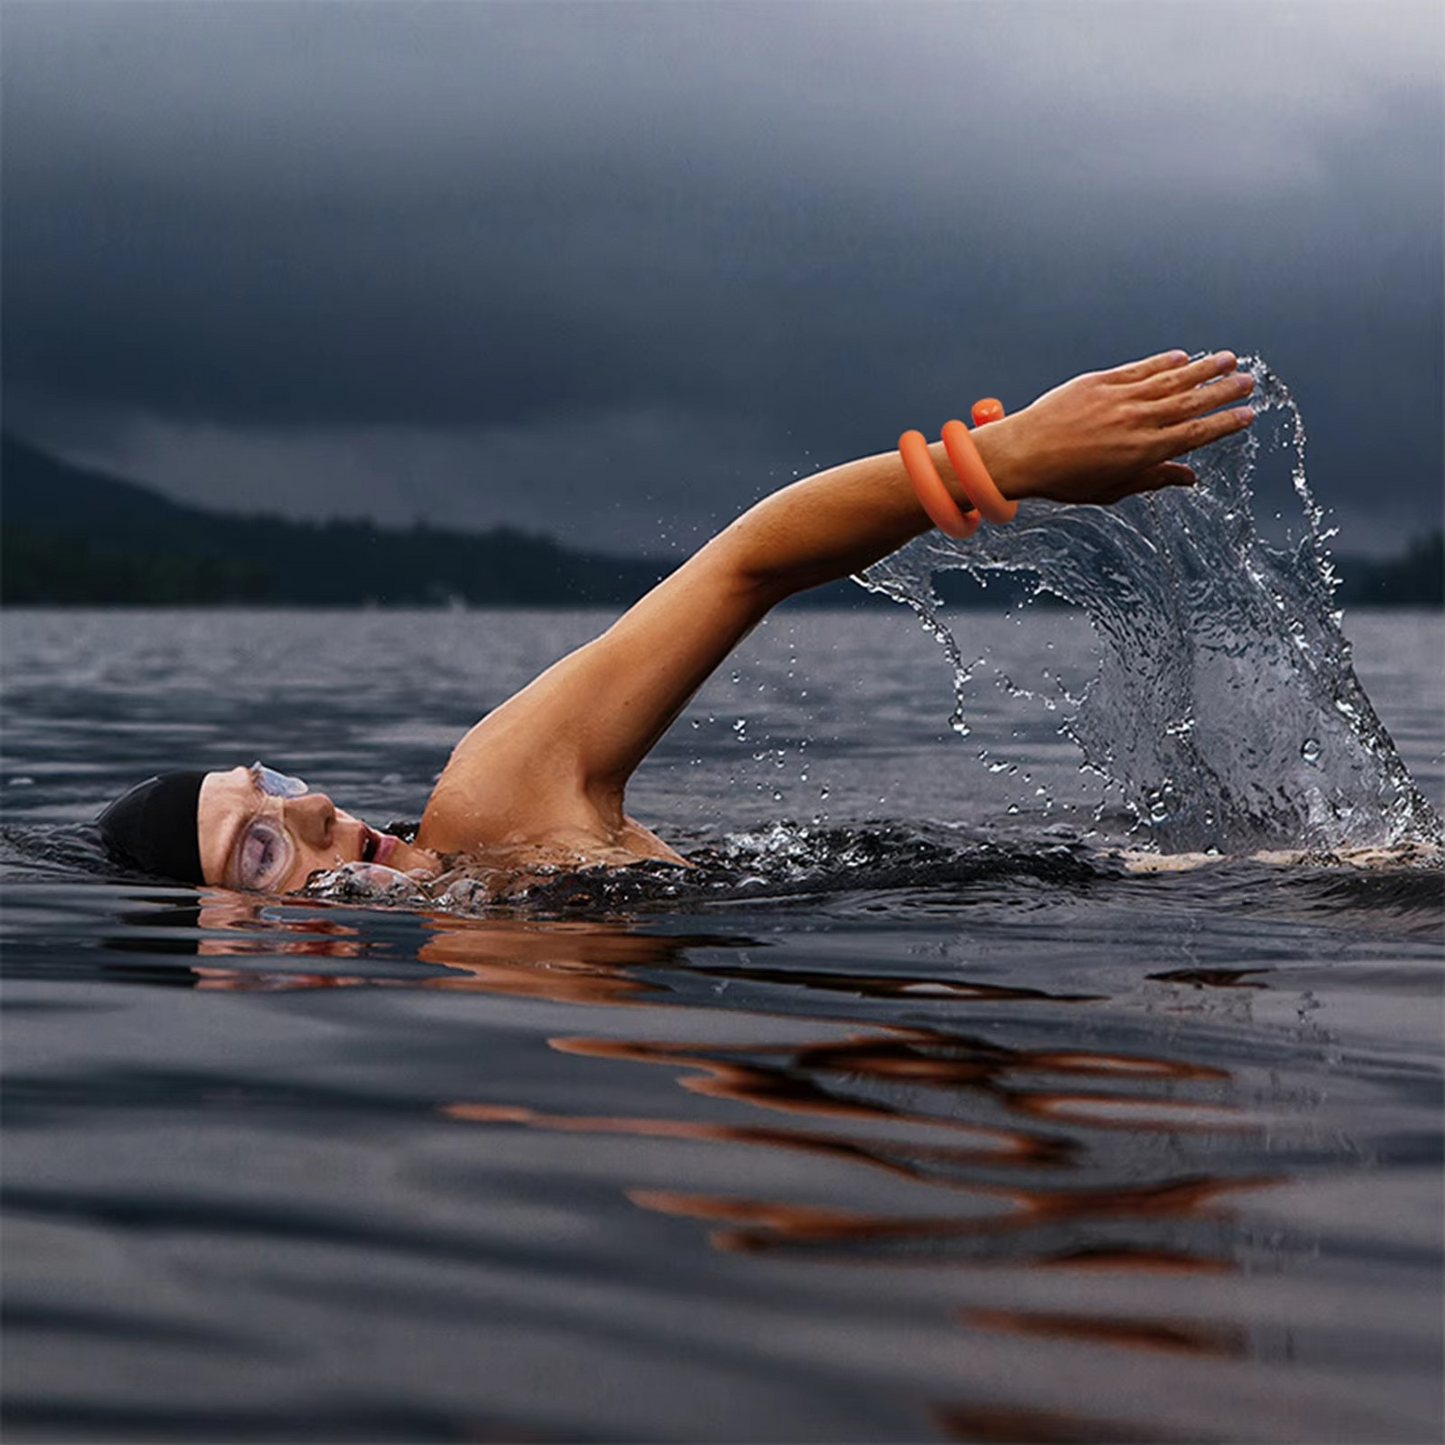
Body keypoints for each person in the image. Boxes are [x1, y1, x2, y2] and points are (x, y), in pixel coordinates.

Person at [97, 349, 1255, 894]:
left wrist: (1001, 459)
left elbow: (744, 563)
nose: (310, 805)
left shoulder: (492, 806)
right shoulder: (482, 1016)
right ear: (225, 949)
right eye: (259, 844)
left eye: (274, 781)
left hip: (1177, 890)